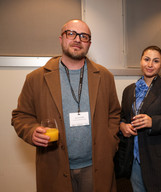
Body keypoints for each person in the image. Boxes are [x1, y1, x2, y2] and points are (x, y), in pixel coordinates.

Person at [11, 19, 121, 192]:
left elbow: (114, 113)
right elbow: (21, 116)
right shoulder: (36, 78)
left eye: (84, 36)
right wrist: (31, 132)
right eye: (71, 33)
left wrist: (110, 143)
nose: (77, 39)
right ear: (61, 39)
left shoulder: (105, 76)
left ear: (89, 44)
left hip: (96, 166)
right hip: (54, 165)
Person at [119, 45, 161, 191]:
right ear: (140, 61)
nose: (150, 64)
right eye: (146, 59)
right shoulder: (129, 90)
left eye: (155, 61)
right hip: (134, 159)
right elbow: (123, 117)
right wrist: (122, 125)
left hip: (159, 160)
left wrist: (153, 122)